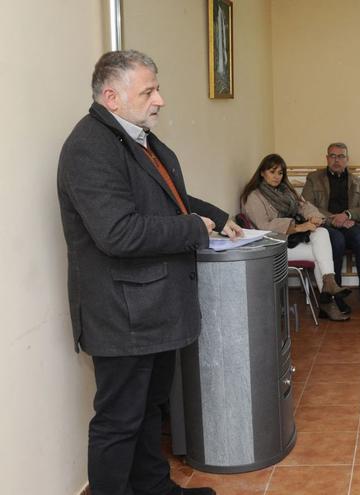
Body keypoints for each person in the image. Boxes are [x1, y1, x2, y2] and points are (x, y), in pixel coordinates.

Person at [57, 50, 240, 495]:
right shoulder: (89, 147)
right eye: (149, 90)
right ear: (111, 97)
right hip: (123, 315)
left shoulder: (134, 137)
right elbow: (118, 233)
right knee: (120, 421)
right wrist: (194, 228)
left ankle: (156, 489)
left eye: (157, 88)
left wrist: (215, 214)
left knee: (150, 409)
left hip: (153, 309)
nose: (160, 99)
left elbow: (168, 197)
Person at [242, 153, 351, 321]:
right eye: (272, 172)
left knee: (321, 232)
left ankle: (329, 285)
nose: (277, 177)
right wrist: (299, 226)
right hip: (274, 246)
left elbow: (305, 206)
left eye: (280, 173)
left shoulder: (286, 191)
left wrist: (314, 217)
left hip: (292, 242)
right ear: (262, 173)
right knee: (319, 255)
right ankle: (329, 299)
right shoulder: (253, 196)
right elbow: (265, 226)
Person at [301, 142, 360, 315]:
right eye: (333, 156)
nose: (337, 160)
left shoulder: (356, 181)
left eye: (341, 156)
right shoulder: (314, 178)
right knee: (336, 241)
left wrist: (347, 215)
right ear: (327, 158)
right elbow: (306, 205)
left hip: (348, 223)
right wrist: (332, 219)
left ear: (347, 159)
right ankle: (336, 298)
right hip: (324, 225)